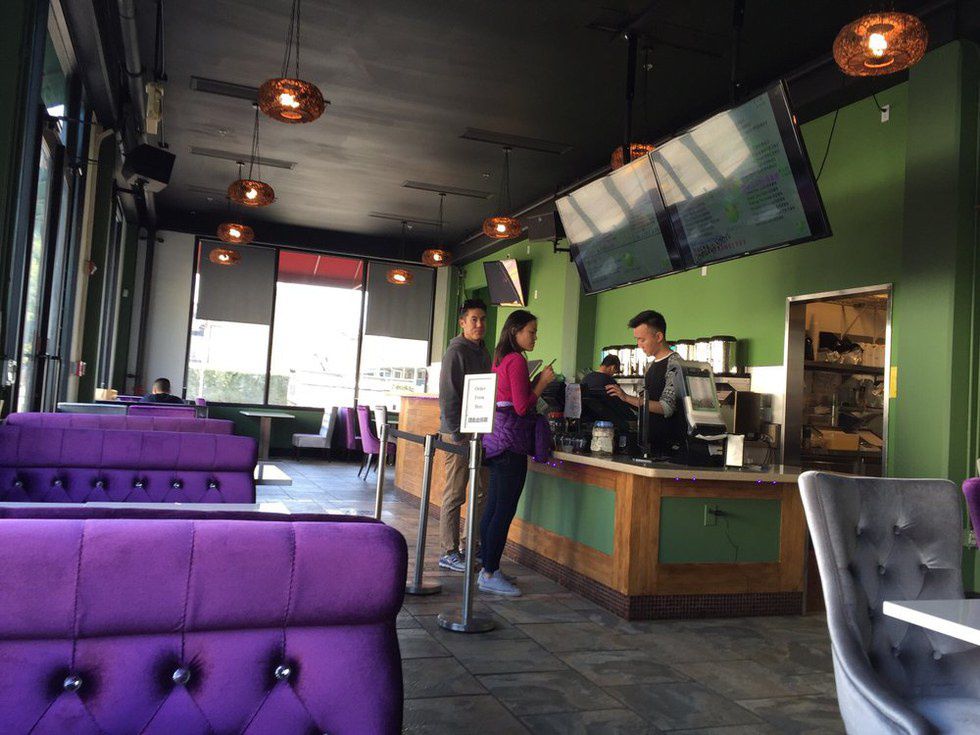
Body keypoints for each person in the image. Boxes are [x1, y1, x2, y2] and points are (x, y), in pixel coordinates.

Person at [478, 310, 555, 597]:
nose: (535, 337)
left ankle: (488, 567)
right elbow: (522, 407)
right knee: (504, 510)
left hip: (496, 440)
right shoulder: (517, 360)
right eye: (531, 332)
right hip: (512, 443)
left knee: (493, 507)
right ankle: (489, 572)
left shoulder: (500, 359)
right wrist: (542, 382)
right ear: (515, 332)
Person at [437, 299, 492, 572]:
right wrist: (458, 434)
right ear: (462, 322)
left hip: (480, 433)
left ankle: (471, 544)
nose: (479, 324)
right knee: (455, 493)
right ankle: (449, 551)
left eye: (483, 319)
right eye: (474, 319)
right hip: (457, 435)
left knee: (482, 492)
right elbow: (448, 396)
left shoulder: (483, 351)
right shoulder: (455, 352)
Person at [605, 310, 686, 454]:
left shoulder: (675, 364)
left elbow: (666, 407)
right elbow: (643, 402)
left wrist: (626, 397)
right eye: (637, 340)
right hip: (650, 445)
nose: (639, 345)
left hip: (669, 449)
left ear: (659, 337)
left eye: (642, 340)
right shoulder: (650, 366)